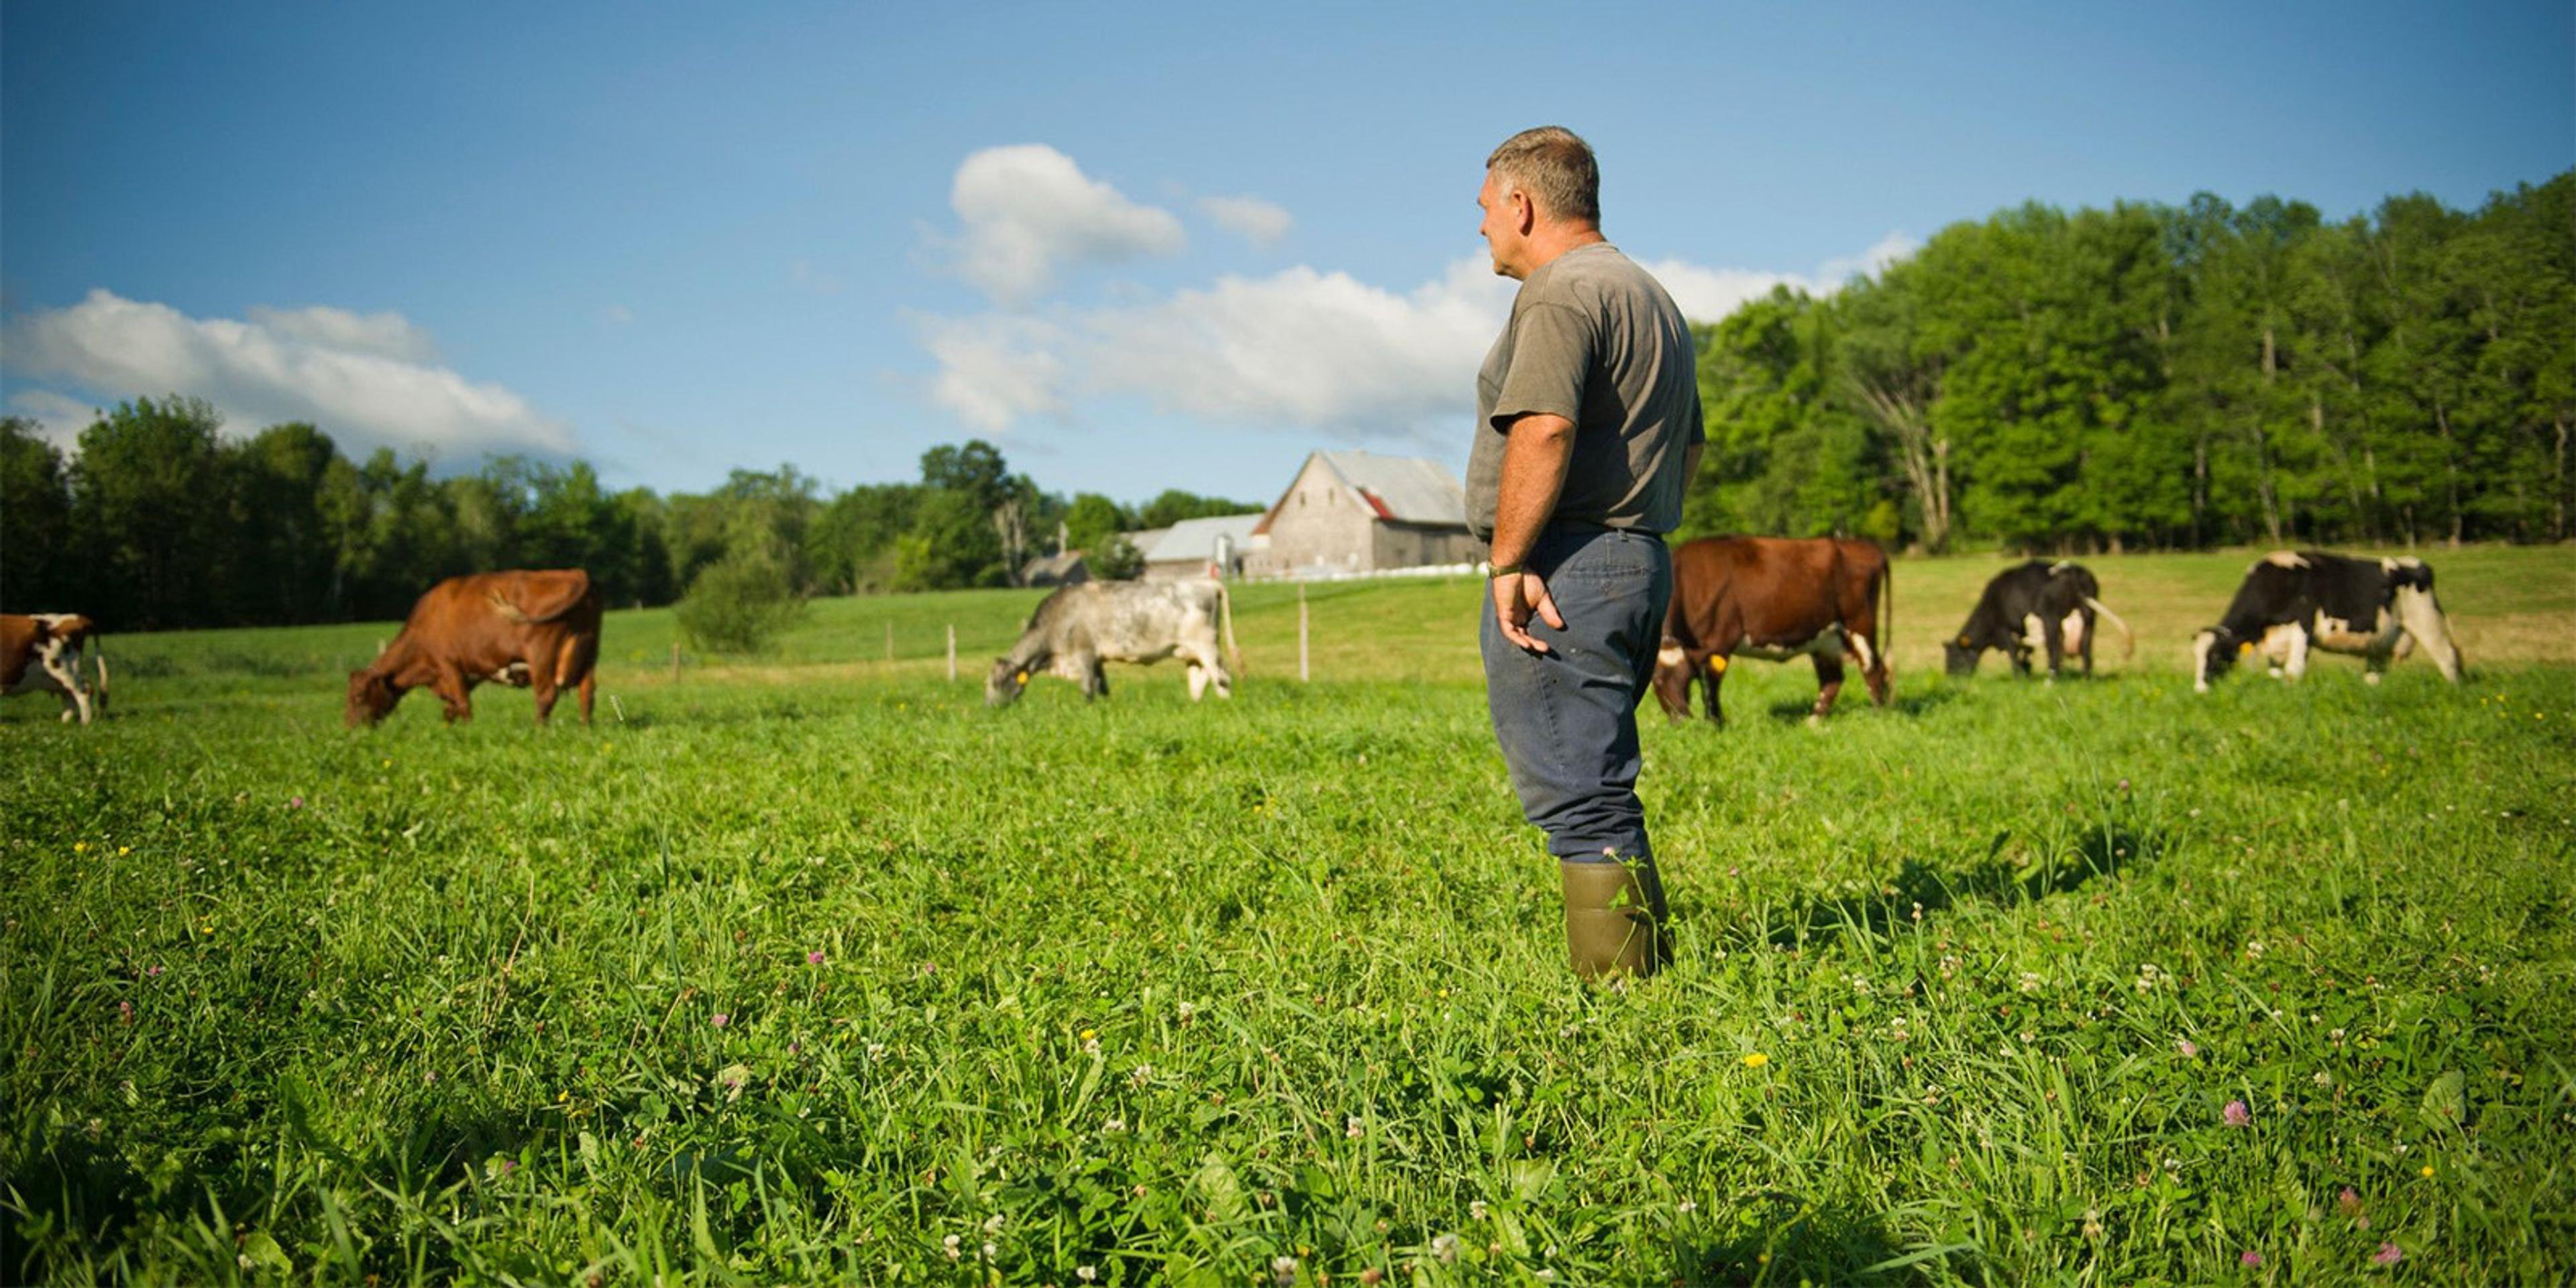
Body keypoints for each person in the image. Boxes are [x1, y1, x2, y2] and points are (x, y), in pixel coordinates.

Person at [1466, 125, 1703, 981]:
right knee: (1599, 775)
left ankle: (1621, 1011)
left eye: (1487, 207)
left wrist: (1511, 559)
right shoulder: (1650, 296)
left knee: (1581, 789)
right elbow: (1690, 449)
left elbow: (1546, 428)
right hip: (1640, 558)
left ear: (1523, 205)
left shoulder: (1562, 294)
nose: (1483, 225)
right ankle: (1648, 974)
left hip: (1567, 566)